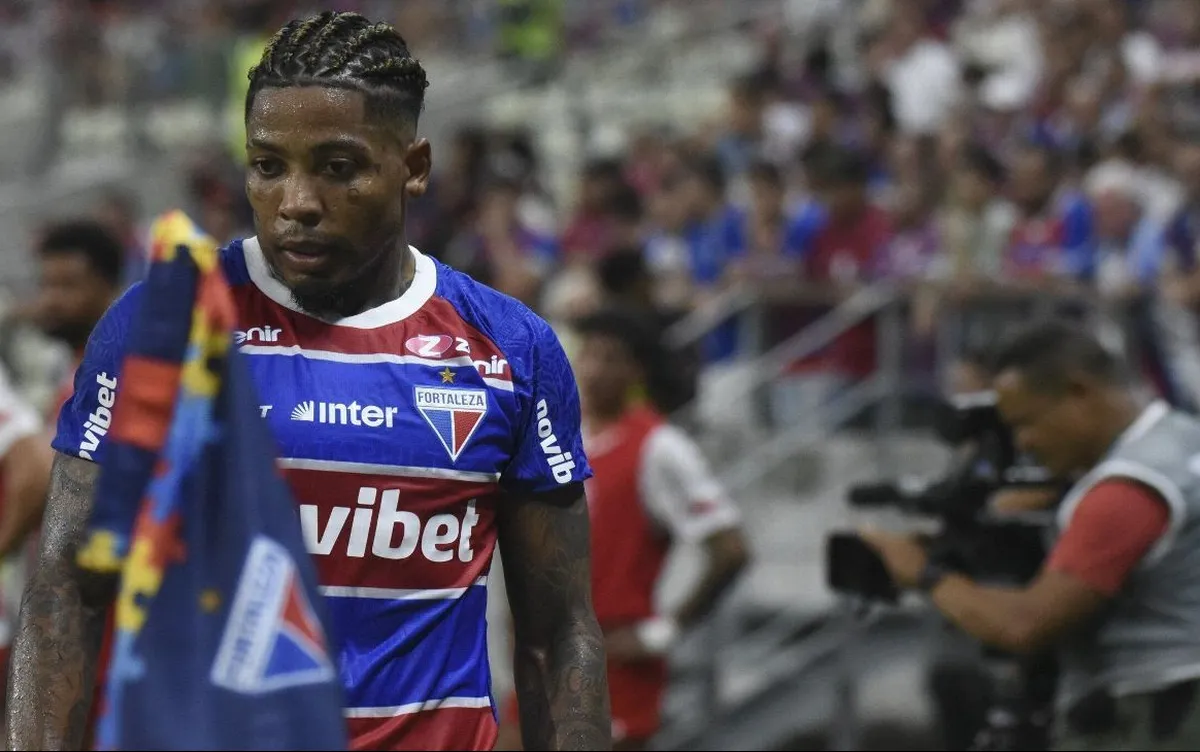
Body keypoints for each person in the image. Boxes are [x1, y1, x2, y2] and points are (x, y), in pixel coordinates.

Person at [6, 11, 610, 752]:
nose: (296, 202)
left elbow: (558, 633)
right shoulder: (167, 325)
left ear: (414, 166)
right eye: (268, 166)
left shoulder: (511, 349)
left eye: (338, 167)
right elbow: (66, 591)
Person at [863, 319, 1200, 750]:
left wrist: (923, 573)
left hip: (1155, 715)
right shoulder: (1181, 439)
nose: (1022, 444)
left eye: (1027, 423)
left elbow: (1025, 625)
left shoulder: (1127, 489)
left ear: (1079, 392)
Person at [496, 307, 749, 751]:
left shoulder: (660, 447)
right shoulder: (556, 434)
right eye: (588, 354)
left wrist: (664, 631)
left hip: (611, 662)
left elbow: (730, 549)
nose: (595, 369)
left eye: (610, 358)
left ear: (637, 371)